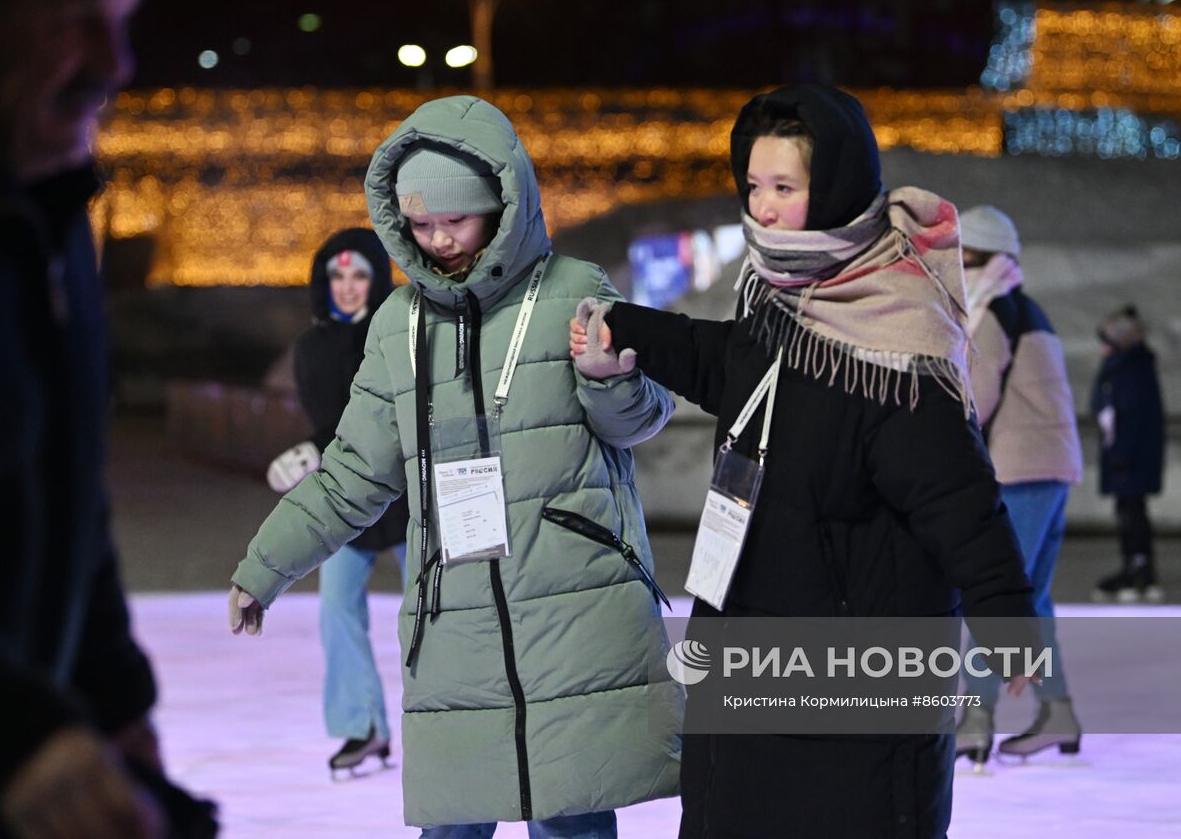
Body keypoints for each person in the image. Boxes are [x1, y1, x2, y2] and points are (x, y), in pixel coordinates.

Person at [571, 84, 1037, 839]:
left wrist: (1009, 620)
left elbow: (960, 503)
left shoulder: (896, 345)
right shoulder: (780, 296)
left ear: (836, 188)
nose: (763, 208)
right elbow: (731, 364)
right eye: (754, 186)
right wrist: (628, 329)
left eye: (784, 188)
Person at [229, 95, 682, 837]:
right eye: (421, 224)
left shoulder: (575, 290)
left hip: (573, 606)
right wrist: (264, 567)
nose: (439, 240)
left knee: (571, 815)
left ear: (503, 206)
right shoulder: (398, 325)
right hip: (455, 616)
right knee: (454, 817)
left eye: (456, 220)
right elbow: (353, 474)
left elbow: (638, 422)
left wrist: (610, 376)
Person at [0, 0, 214, 838]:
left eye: (122, 21)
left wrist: (112, 698)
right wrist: (12, 736)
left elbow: (66, 493)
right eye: (73, 24)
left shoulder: (49, 217)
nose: (115, 64)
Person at [265, 227, 411, 775]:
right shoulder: (311, 349)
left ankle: (452, 717)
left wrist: (315, 450)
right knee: (335, 609)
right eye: (337, 276)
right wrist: (315, 454)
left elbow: (391, 420)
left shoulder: (398, 335)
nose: (348, 287)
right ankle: (362, 725)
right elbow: (331, 424)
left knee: (431, 611)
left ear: (377, 281)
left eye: (359, 276)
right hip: (349, 497)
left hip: (408, 495)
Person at [952, 205, 1083, 766]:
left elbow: (973, 399)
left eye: (962, 257)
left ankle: (975, 721)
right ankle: (1057, 712)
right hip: (1053, 470)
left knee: (995, 596)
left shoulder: (994, 312)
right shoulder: (1031, 310)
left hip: (1020, 472)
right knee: (1033, 599)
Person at [1090, 305, 1166, 602]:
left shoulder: (1129, 368)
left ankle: (1137, 570)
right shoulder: (1128, 365)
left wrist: (1121, 454)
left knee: (1131, 513)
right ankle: (1139, 570)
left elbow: (1131, 415)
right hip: (1130, 454)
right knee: (1131, 511)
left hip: (1130, 456)